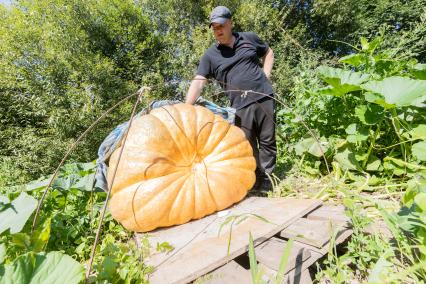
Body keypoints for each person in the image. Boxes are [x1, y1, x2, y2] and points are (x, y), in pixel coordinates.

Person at [185, 6, 276, 191]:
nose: (218, 30)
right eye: (214, 27)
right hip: (240, 105)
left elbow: (268, 52)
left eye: (221, 26)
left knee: (268, 140)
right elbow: (199, 81)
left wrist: (266, 75)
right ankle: (255, 179)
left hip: (264, 95)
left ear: (230, 23)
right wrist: (186, 107)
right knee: (247, 145)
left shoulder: (249, 38)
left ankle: (268, 179)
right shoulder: (210, 55)